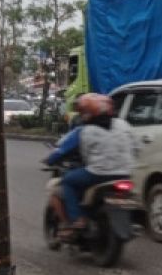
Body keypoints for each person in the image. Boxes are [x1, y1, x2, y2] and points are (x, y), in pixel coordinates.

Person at [45, 93, 136, 239]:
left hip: (98, 174)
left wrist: (49, 160)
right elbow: (135, 147)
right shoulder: (123, 125)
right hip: (125, 173)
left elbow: (73, 152)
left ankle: (77, 220)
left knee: (68, 182)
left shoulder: (84, 130)